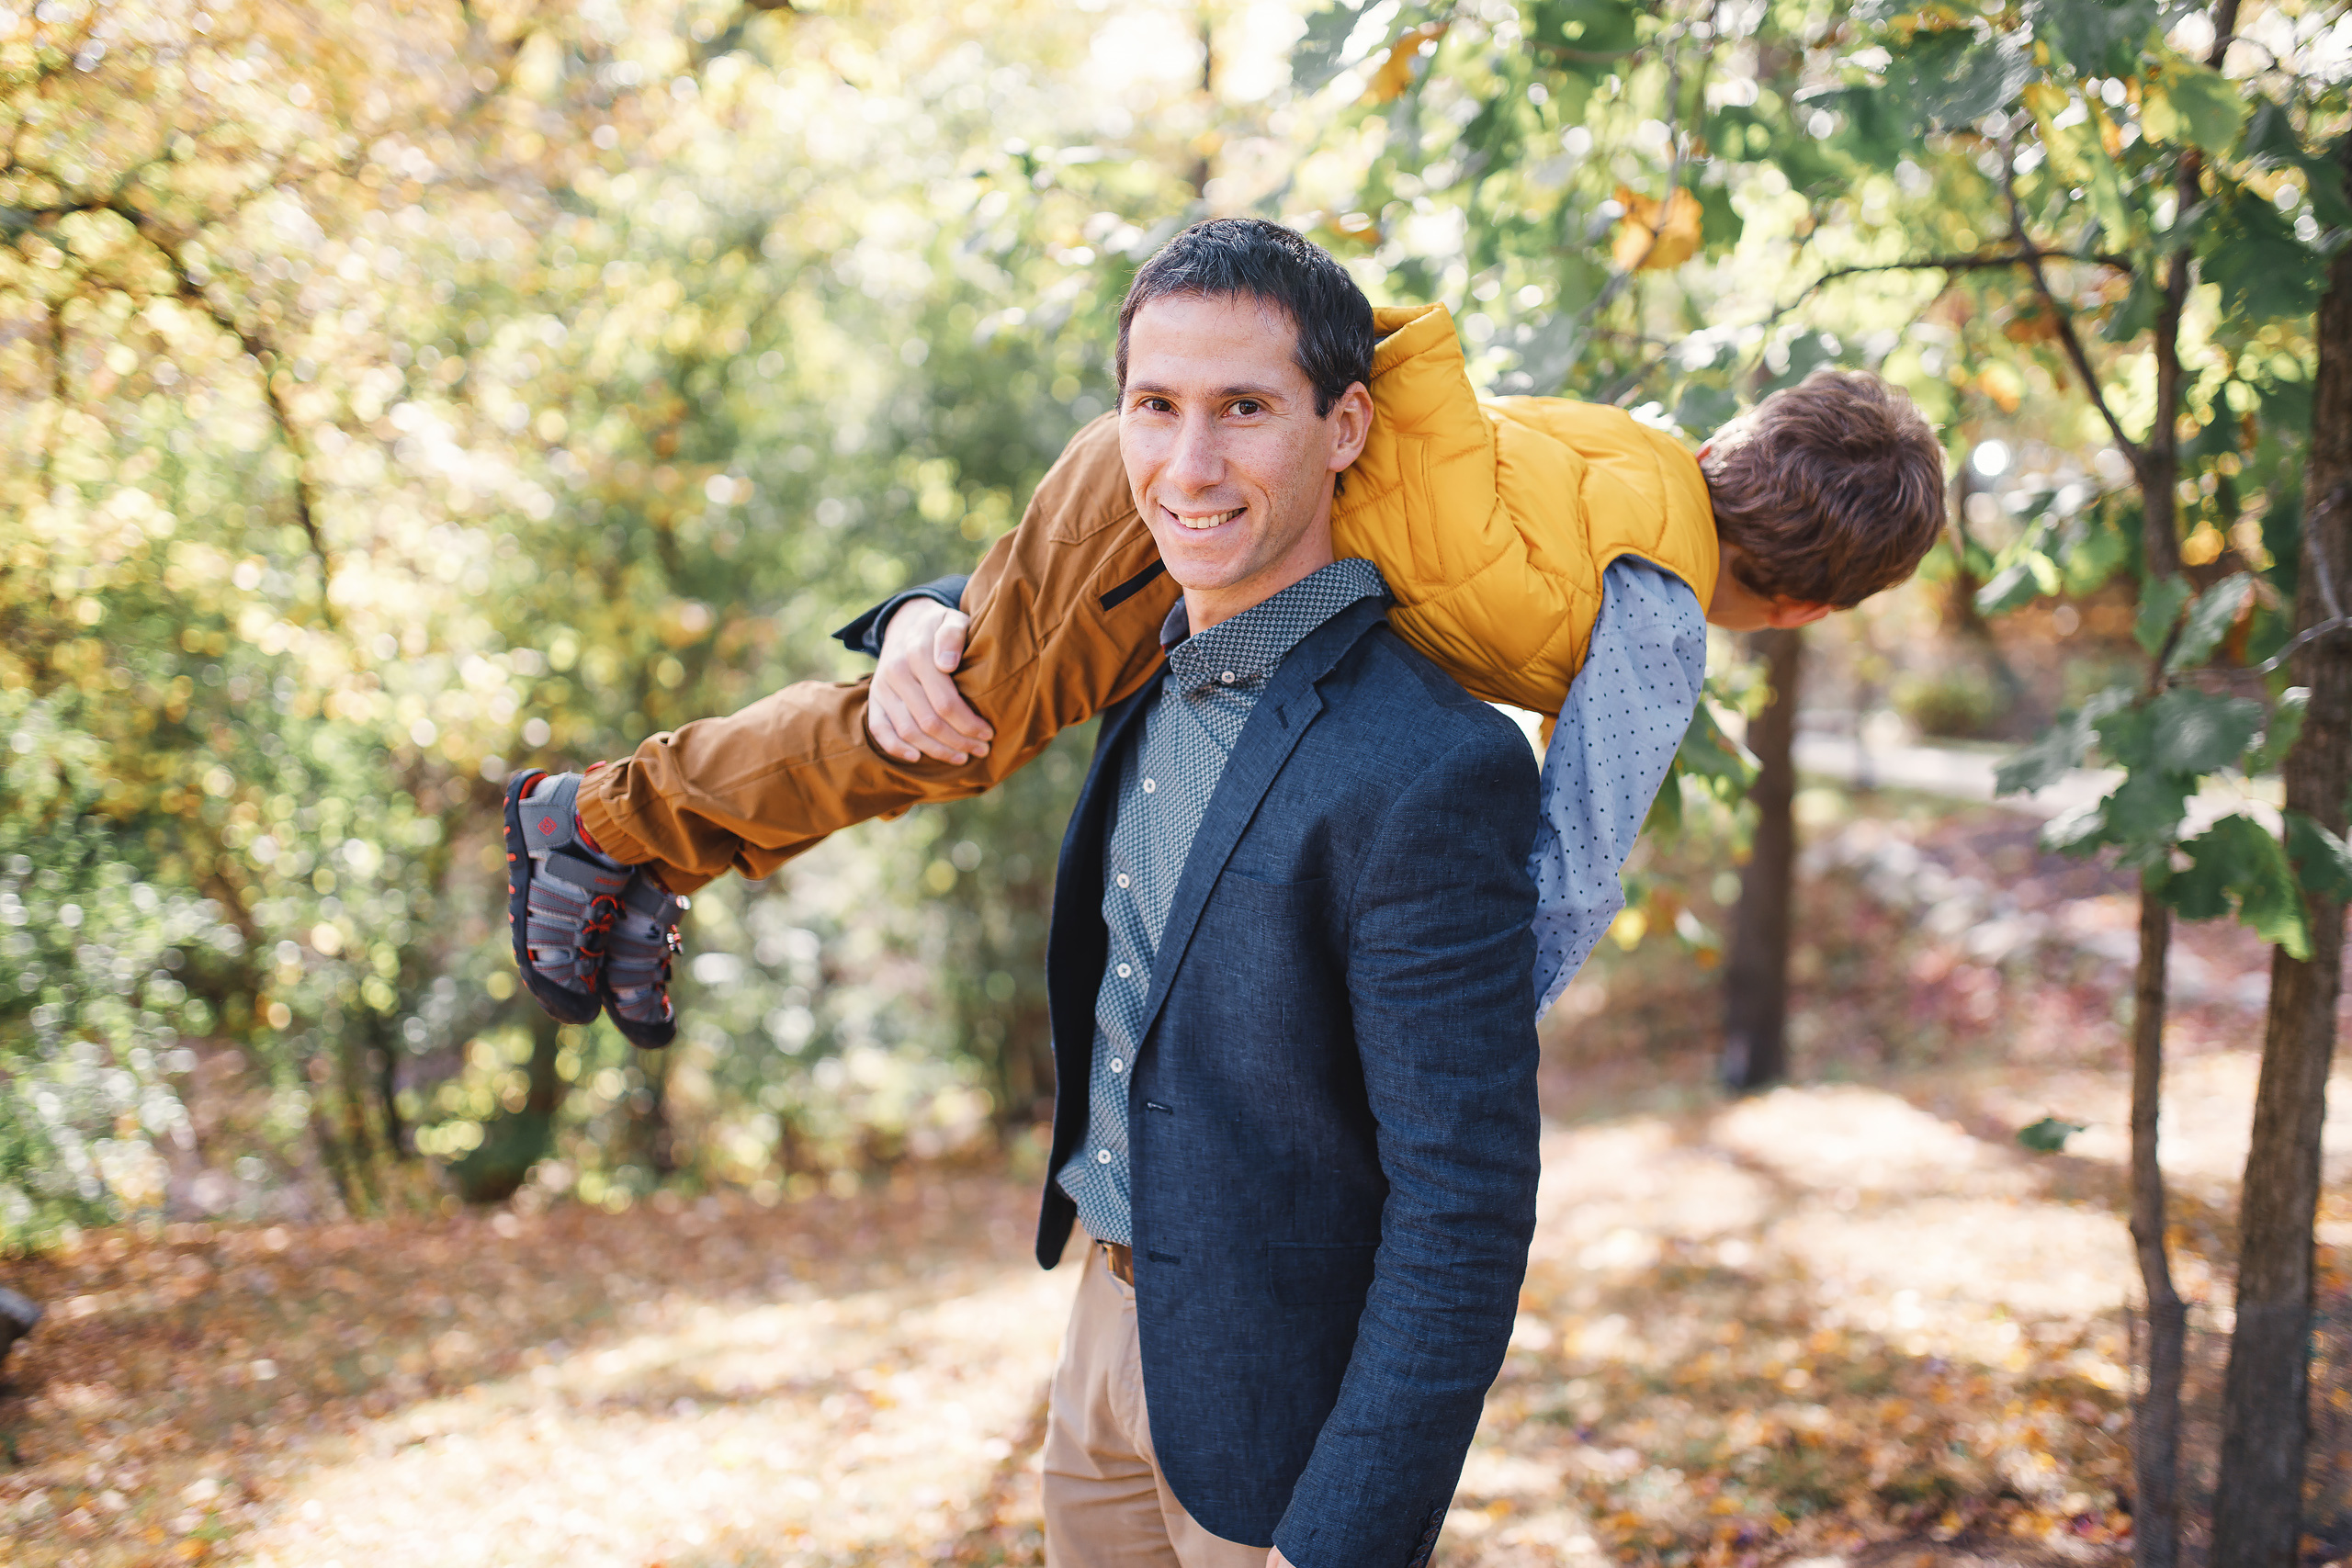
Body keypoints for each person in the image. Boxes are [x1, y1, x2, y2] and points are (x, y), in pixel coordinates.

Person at [502, 223, 1945, 1051]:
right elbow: (1570, 866)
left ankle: (654, 844)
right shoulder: (1660, 624)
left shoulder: (1623, 449)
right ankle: (610, 822)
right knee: (952, 729)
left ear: (1738, 444)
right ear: (1814, 606)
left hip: (1210, 496)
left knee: (964, 684)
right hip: (1202, 489)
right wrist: (1456, 1025)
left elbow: (1435, 568)